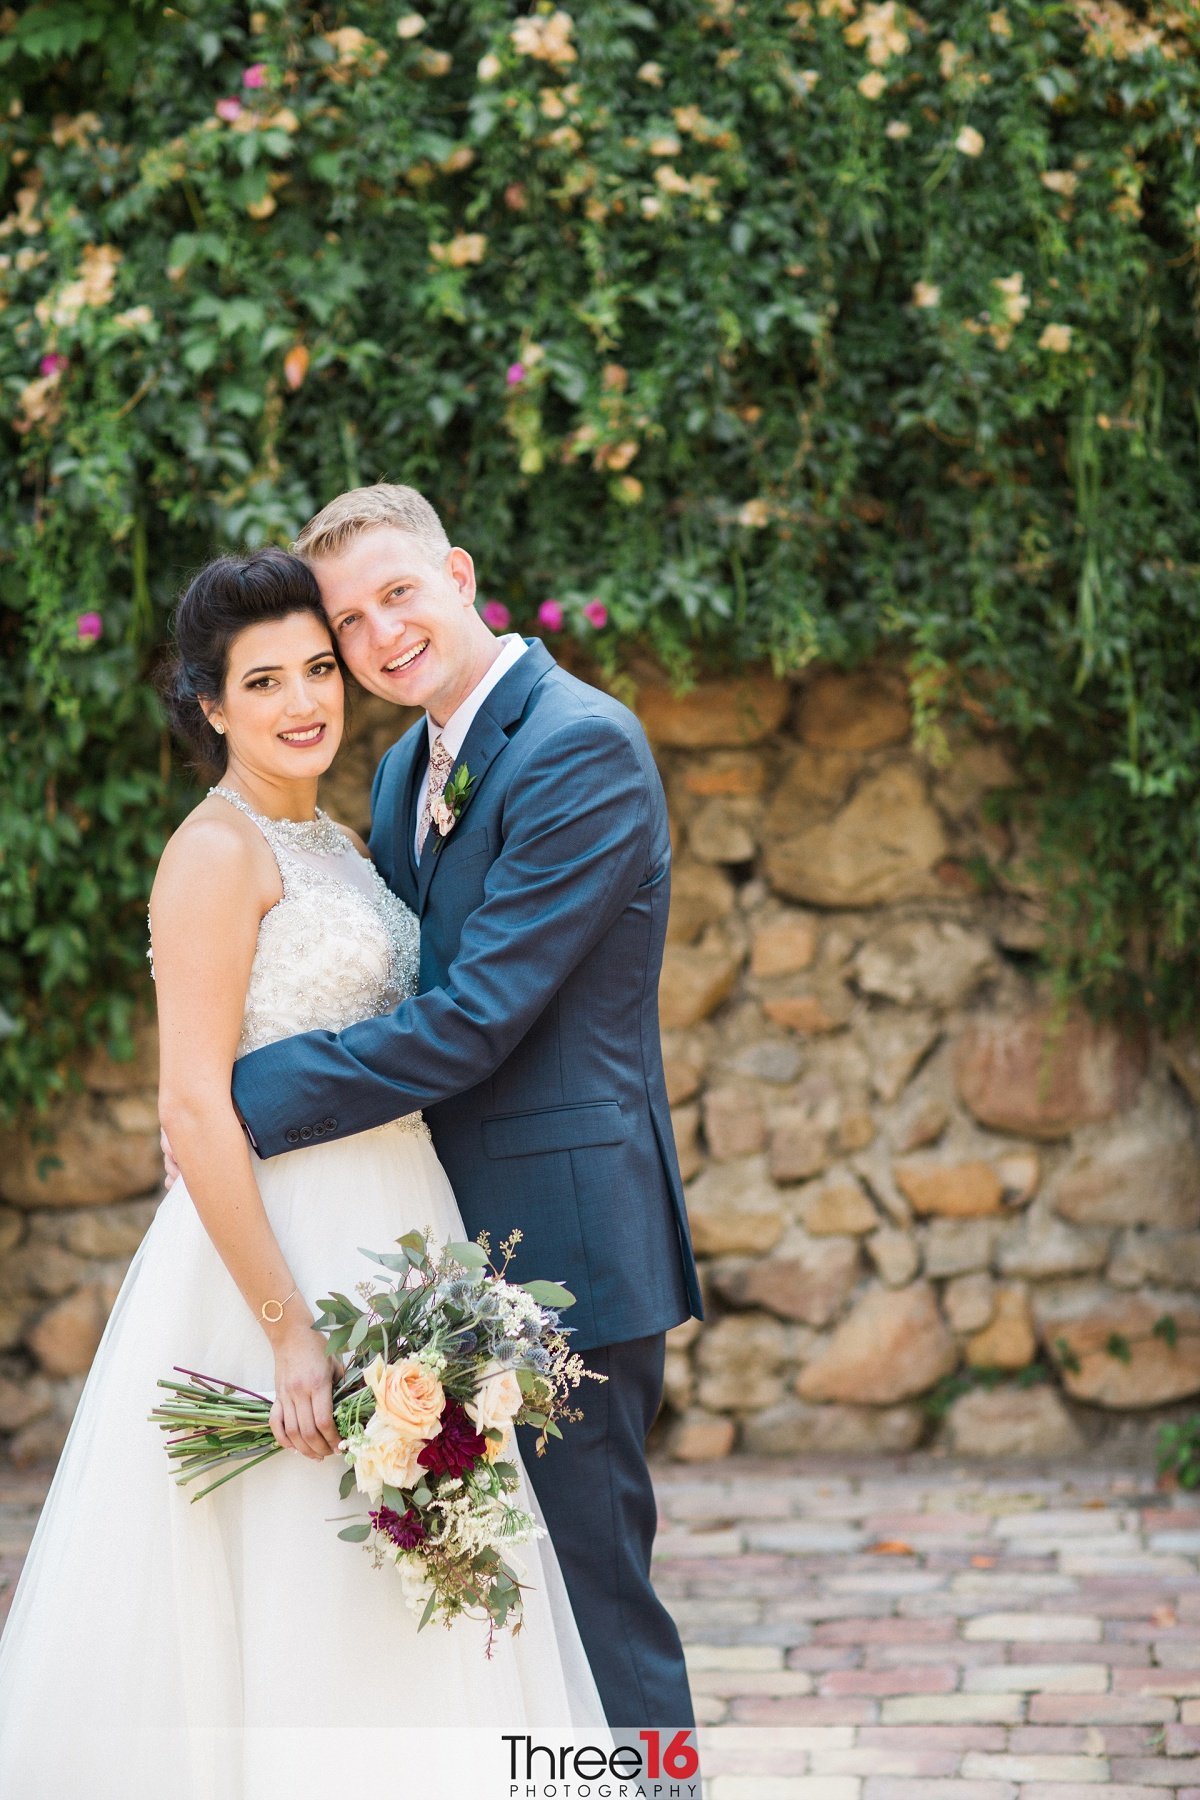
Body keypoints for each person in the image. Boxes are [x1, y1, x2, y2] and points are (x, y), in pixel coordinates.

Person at [0, 549, 605, 1800]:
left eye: (318, 669)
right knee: (299, 1576)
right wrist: (285, 1333)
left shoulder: (338, 834)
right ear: (210, 705)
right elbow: (193, 1105)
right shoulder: (215, 854)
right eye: (262, 681)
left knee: (408, 1583)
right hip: (275, 1264)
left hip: (400, 1231)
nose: (303, 701)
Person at [224, 483, 704, 1733]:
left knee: (599, 1608)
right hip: (445, 1244)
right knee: (499, 1621)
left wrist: (249, 1094)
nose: (383, 636)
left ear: (459, 572)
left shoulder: (579, 747)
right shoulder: (402, 771)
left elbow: (478, 1016)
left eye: (400, 593)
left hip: (569, 1245)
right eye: (351, 620)